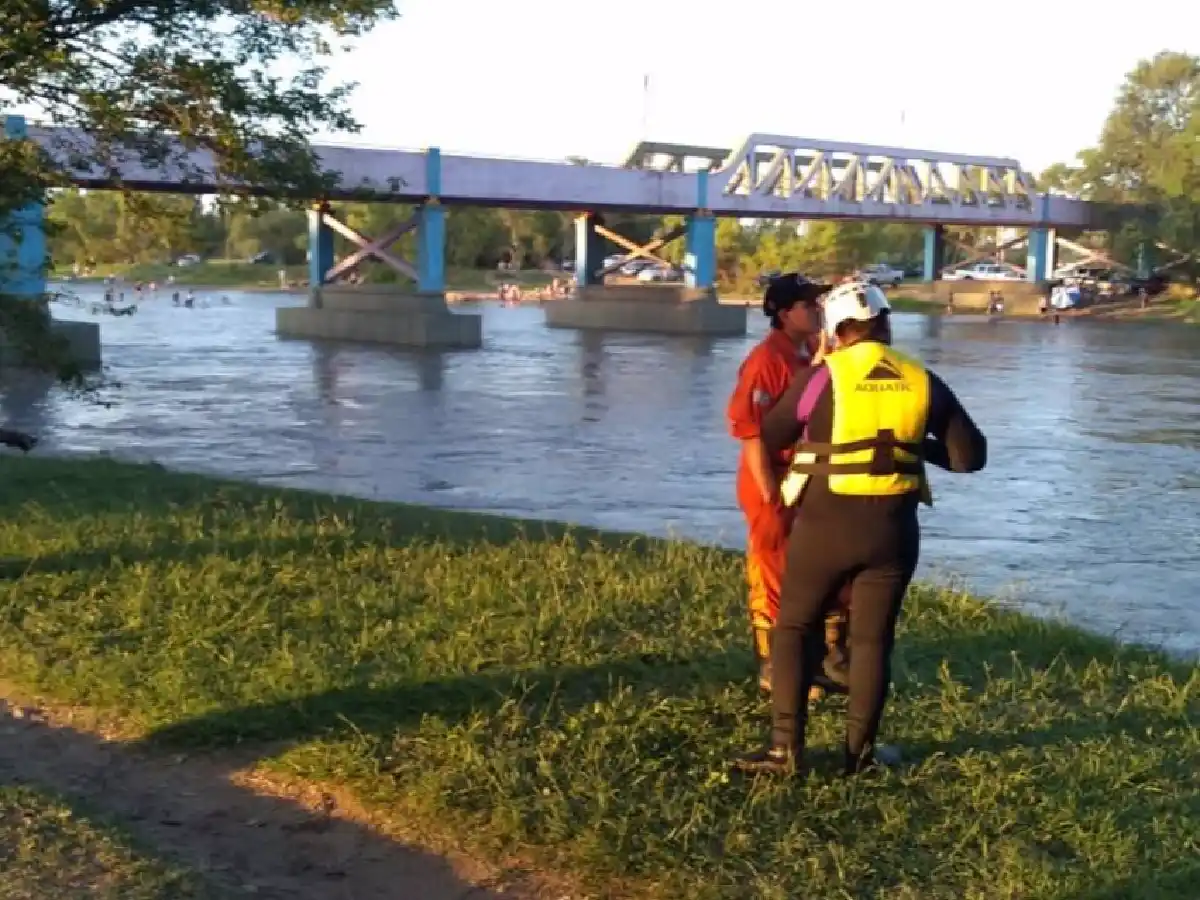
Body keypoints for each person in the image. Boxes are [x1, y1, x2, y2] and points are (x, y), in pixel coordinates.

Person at [733, 280, 988, 777]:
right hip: (892, 531)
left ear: (836, 329)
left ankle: (786, 751)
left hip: (826, 526)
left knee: (794, 627)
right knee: (872, 642)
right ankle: (860, 757)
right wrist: (910, 448)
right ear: (887, 323)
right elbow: (969, 458)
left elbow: (772, 433)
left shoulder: (822, 375)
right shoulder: (921, 377)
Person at [726, 273, 851, 698]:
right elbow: (750, 433)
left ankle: (823, 661)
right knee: (773, 574)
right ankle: (774, 670)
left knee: (820, 569)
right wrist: (769, 496)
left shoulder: (808, 355)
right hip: (773, 480)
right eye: (807, 305)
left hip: (806, 478)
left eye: (818, 303)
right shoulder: (767, 359)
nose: (817, 310)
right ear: (783, 314)